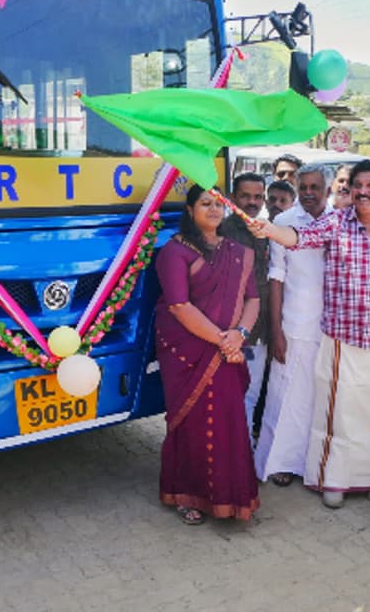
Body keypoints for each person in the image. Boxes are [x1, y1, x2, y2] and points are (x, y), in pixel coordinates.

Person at [252, 159, 370, 509]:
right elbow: (300, 238)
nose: (364, 191)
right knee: (338, 416)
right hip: (342, 338)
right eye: (359, 185)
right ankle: (335, 482)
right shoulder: (338, 222)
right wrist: (269, 229)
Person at [154, 185, 261, 524]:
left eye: (218, 204)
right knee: (193, 422)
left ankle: (233, 495)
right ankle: (188, 494)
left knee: (230, 419)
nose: (214, 210)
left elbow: (253, 299)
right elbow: (178, 305)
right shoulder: (175, 252)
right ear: (189, 210)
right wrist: (223, 341)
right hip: (189, 351)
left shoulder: (238, 251)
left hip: (227, 346)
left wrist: (240, 334)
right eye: (205, 204)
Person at [256, 164, 332, 487]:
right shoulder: (283, 224)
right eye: (304, 188)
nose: (309, 193)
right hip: (294, 325)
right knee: (285, 399)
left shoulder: (340, 222)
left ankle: (314, 467)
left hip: (331, 330)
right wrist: (276, 332)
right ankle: (280, 464)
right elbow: (277, 278)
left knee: (320, 402)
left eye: (316, 187)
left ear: (327, 190)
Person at [218, 172, 272, 443]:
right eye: (245, 196)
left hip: (260, 331)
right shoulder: (223, 232)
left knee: (250, 394)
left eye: (258, 196)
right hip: (233, 333)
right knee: (233, 395)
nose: (252, 202)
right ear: (232, 198)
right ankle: (233, 455)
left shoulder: (266, 229)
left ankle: (243, 454)